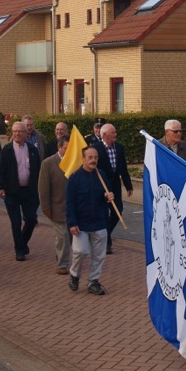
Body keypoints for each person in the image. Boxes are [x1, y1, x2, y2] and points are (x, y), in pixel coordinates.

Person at [66, 147, 114, 295]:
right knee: (80, 251)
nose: (93, 160)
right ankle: (74, 275)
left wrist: (108, 197)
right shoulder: (75, 178)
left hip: (99, 221)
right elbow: (70, 203)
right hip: (81, 223)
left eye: (95, 157)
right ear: (83, 159)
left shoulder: (102, 176)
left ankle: (93, 281)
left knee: (99, 255)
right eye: (90, 157)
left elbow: (106, 195)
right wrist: (72, 223)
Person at [0, 121, 41, 261]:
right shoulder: (7, 150)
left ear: (26, 133)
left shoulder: (33, 149)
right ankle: (19, 250)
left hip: (29, 191)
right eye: (14, 131)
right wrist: (0, 187)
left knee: (31, 219)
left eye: (20, 131)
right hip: (12, 192)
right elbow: (1, 170)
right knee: (15, 222)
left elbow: (38, 170)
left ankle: (22, 242)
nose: (17, 134)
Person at [93, 123, 133, 254]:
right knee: (104, 214)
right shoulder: (96, 149)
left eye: (115, 132)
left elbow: (123, 168)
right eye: (113, 132)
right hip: (101, 187)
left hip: (115, 186)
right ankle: (107, 243)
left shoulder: (119, 148)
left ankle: (105, 233)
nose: (115, 135)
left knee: (118, 211)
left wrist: (128, 185)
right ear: (105, 135)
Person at [38, 134, 71, 274]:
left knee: (69, 235)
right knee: (62, 235)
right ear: (59, 147)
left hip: (72, 207)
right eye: (65, 148)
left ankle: (61, 253)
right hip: (56, 207)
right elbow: (43, 187)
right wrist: (45, 207)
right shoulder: (48, 163)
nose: (68, 151)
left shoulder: (76, 162)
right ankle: (62, 264)